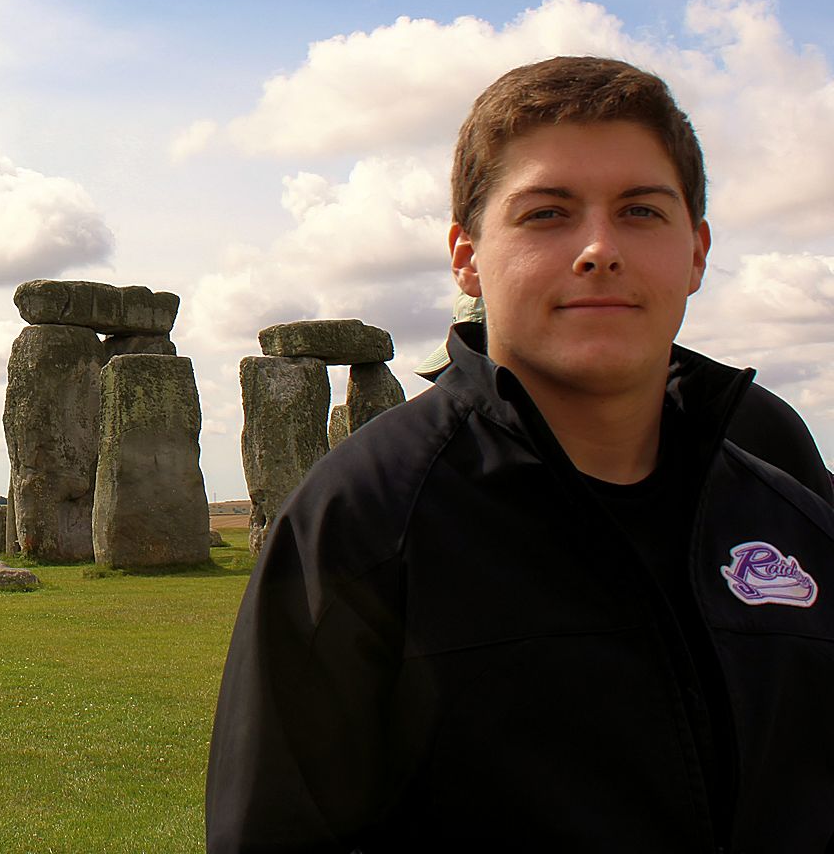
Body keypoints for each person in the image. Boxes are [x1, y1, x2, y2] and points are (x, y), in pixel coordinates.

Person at [206, 56, 834, 852]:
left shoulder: (794, 523)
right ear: (467, 257)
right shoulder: (363, 524)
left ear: (698, 251)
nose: (599, 249)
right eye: (547, 214)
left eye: (641, 211)